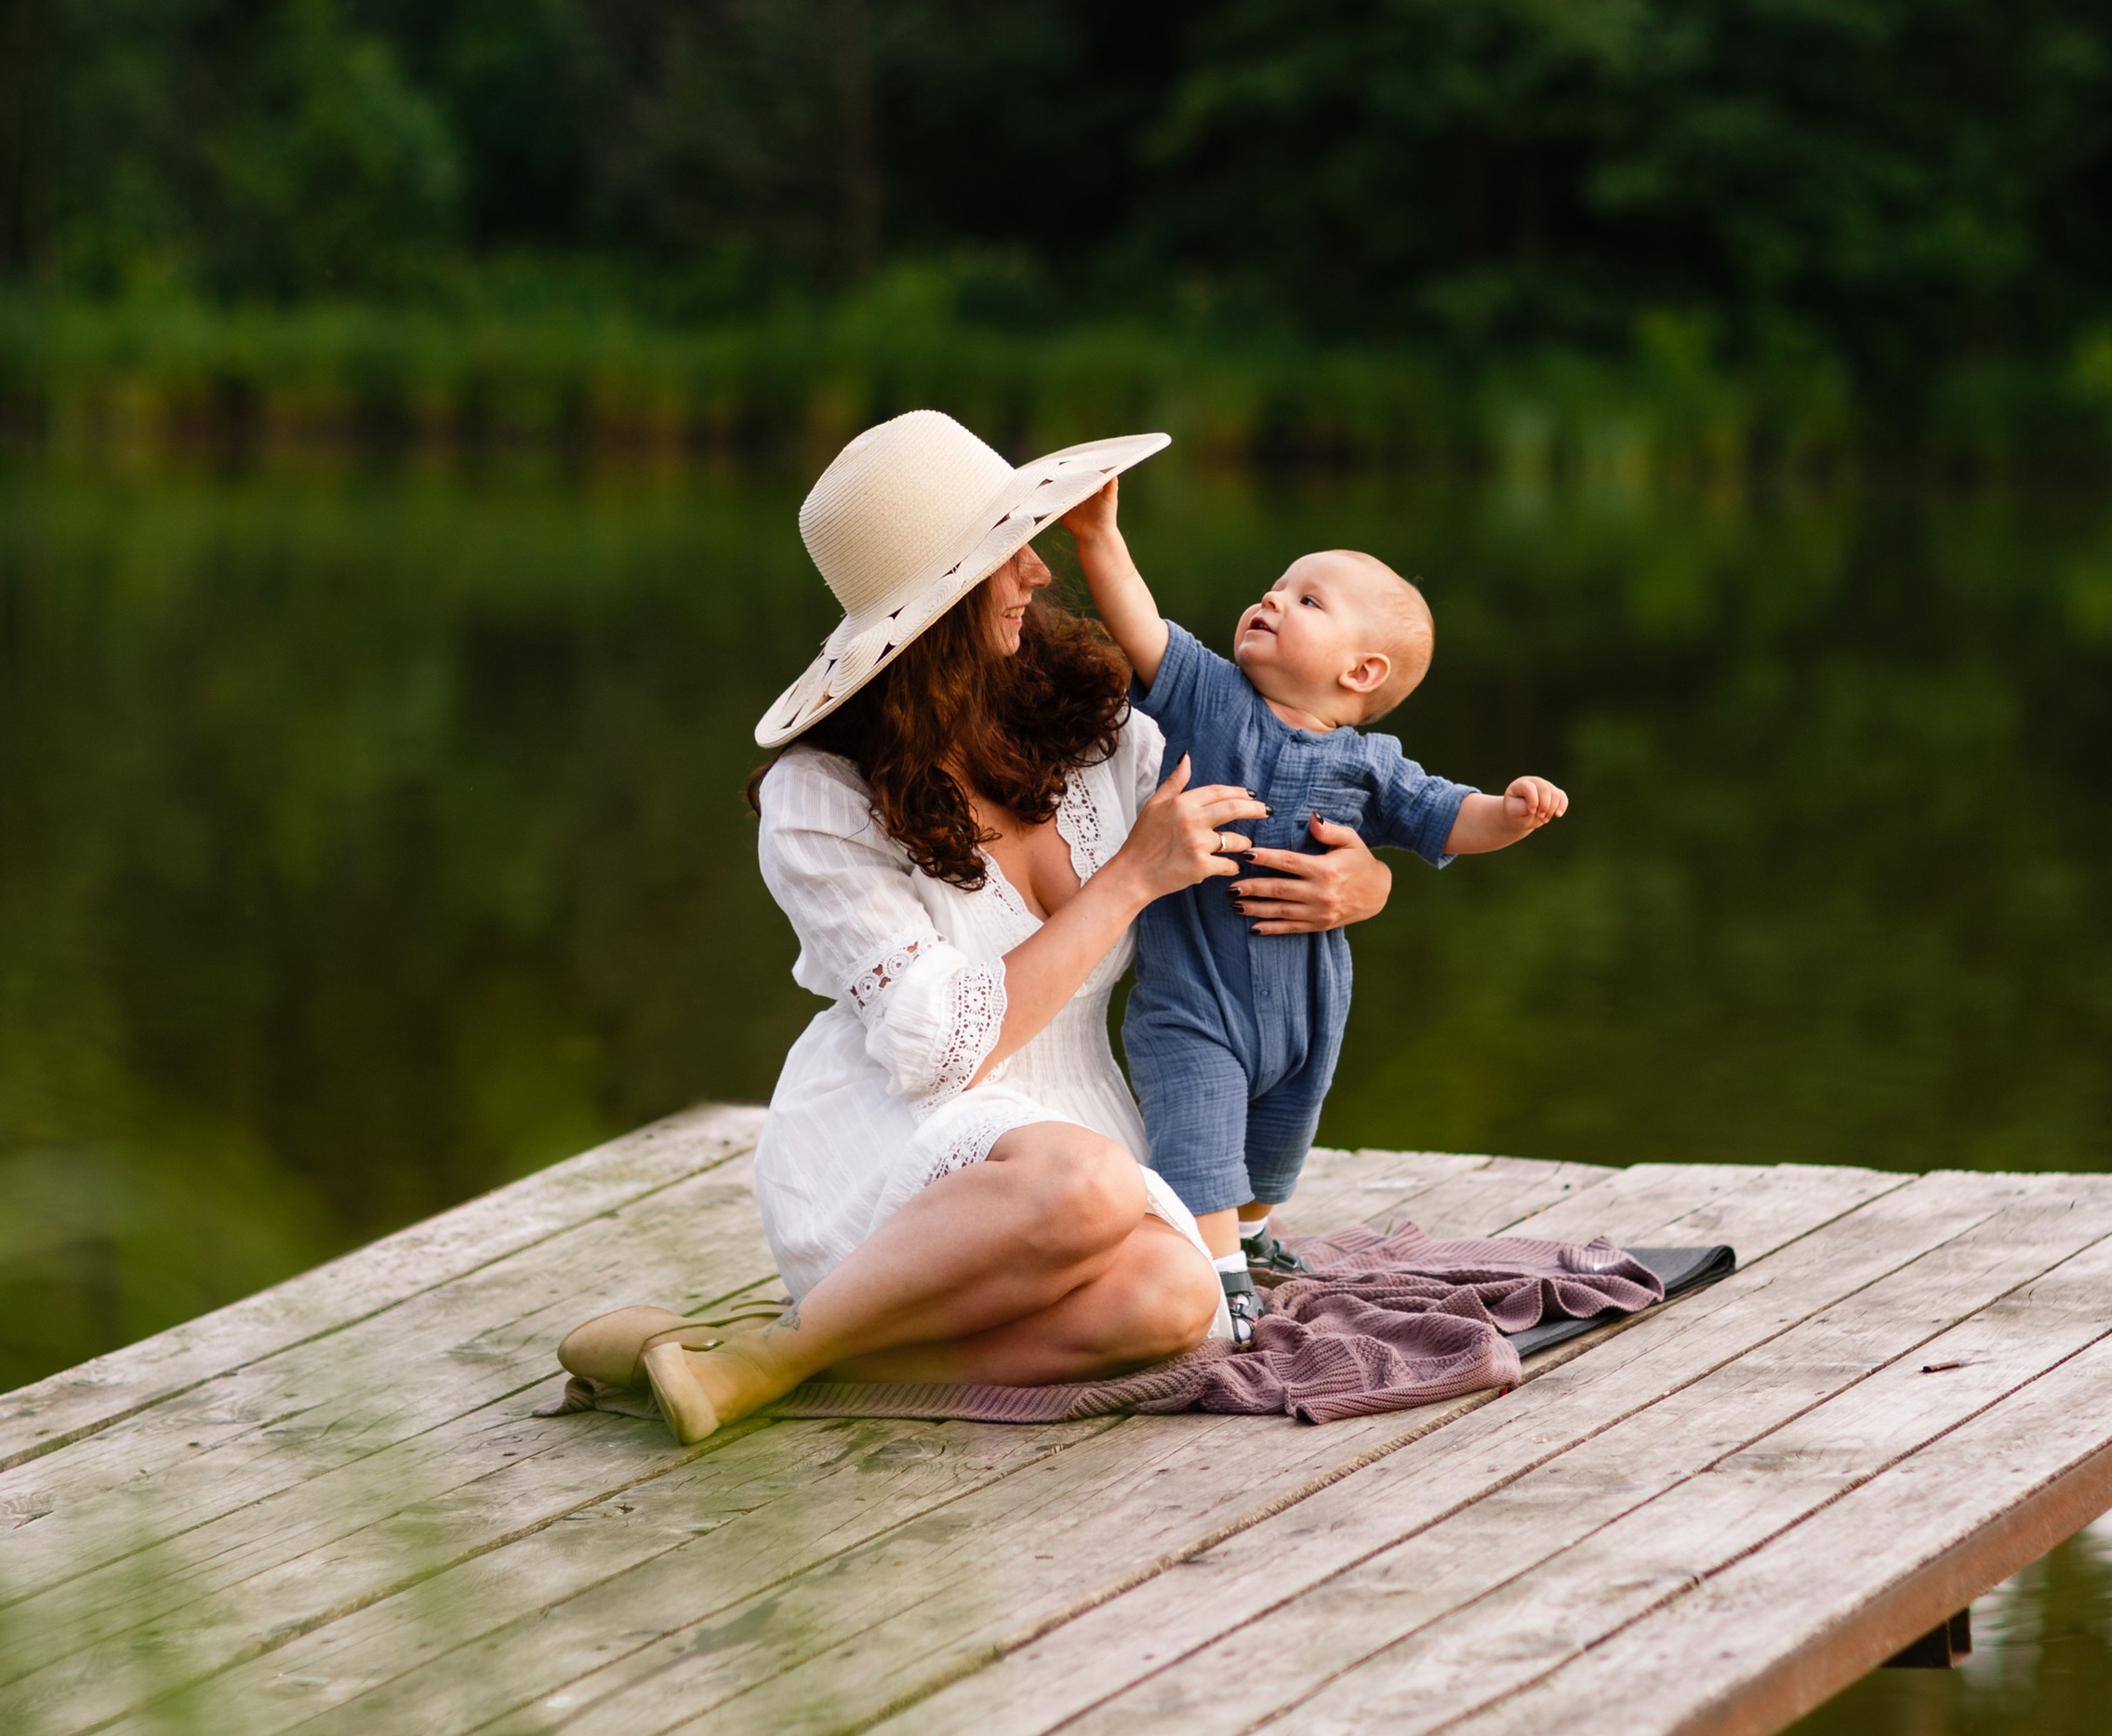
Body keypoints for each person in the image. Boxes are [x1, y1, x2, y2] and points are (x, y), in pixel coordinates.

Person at [557, 409, 1394, 1443]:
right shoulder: (820, 800)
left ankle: (761, 1362)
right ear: (941, 604)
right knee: (1082, 1185)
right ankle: (777, 1353)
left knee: (1178, 1307)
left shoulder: (1094, 732)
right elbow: (934, 1051)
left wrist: (1359, 886)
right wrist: (1127, 880)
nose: (1038, 577)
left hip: (1082, 1134)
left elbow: (1274, 791)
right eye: (1008, 556)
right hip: (895, 1154)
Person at [1059, 484, 1568, 1333]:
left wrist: (1512, 815)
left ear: (1360, 673)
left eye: (1307, 600)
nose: (1271, 599)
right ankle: (1220, 1284)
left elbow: (1448, 816)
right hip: (1196, 998)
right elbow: (1140, 624)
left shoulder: (1374, 763)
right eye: (1274, 585)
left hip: (1308, 1006)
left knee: (1278, 1142)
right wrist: (1099, 538)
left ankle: (1252, 1238)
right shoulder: (1208, 697)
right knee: (1200, 1140)